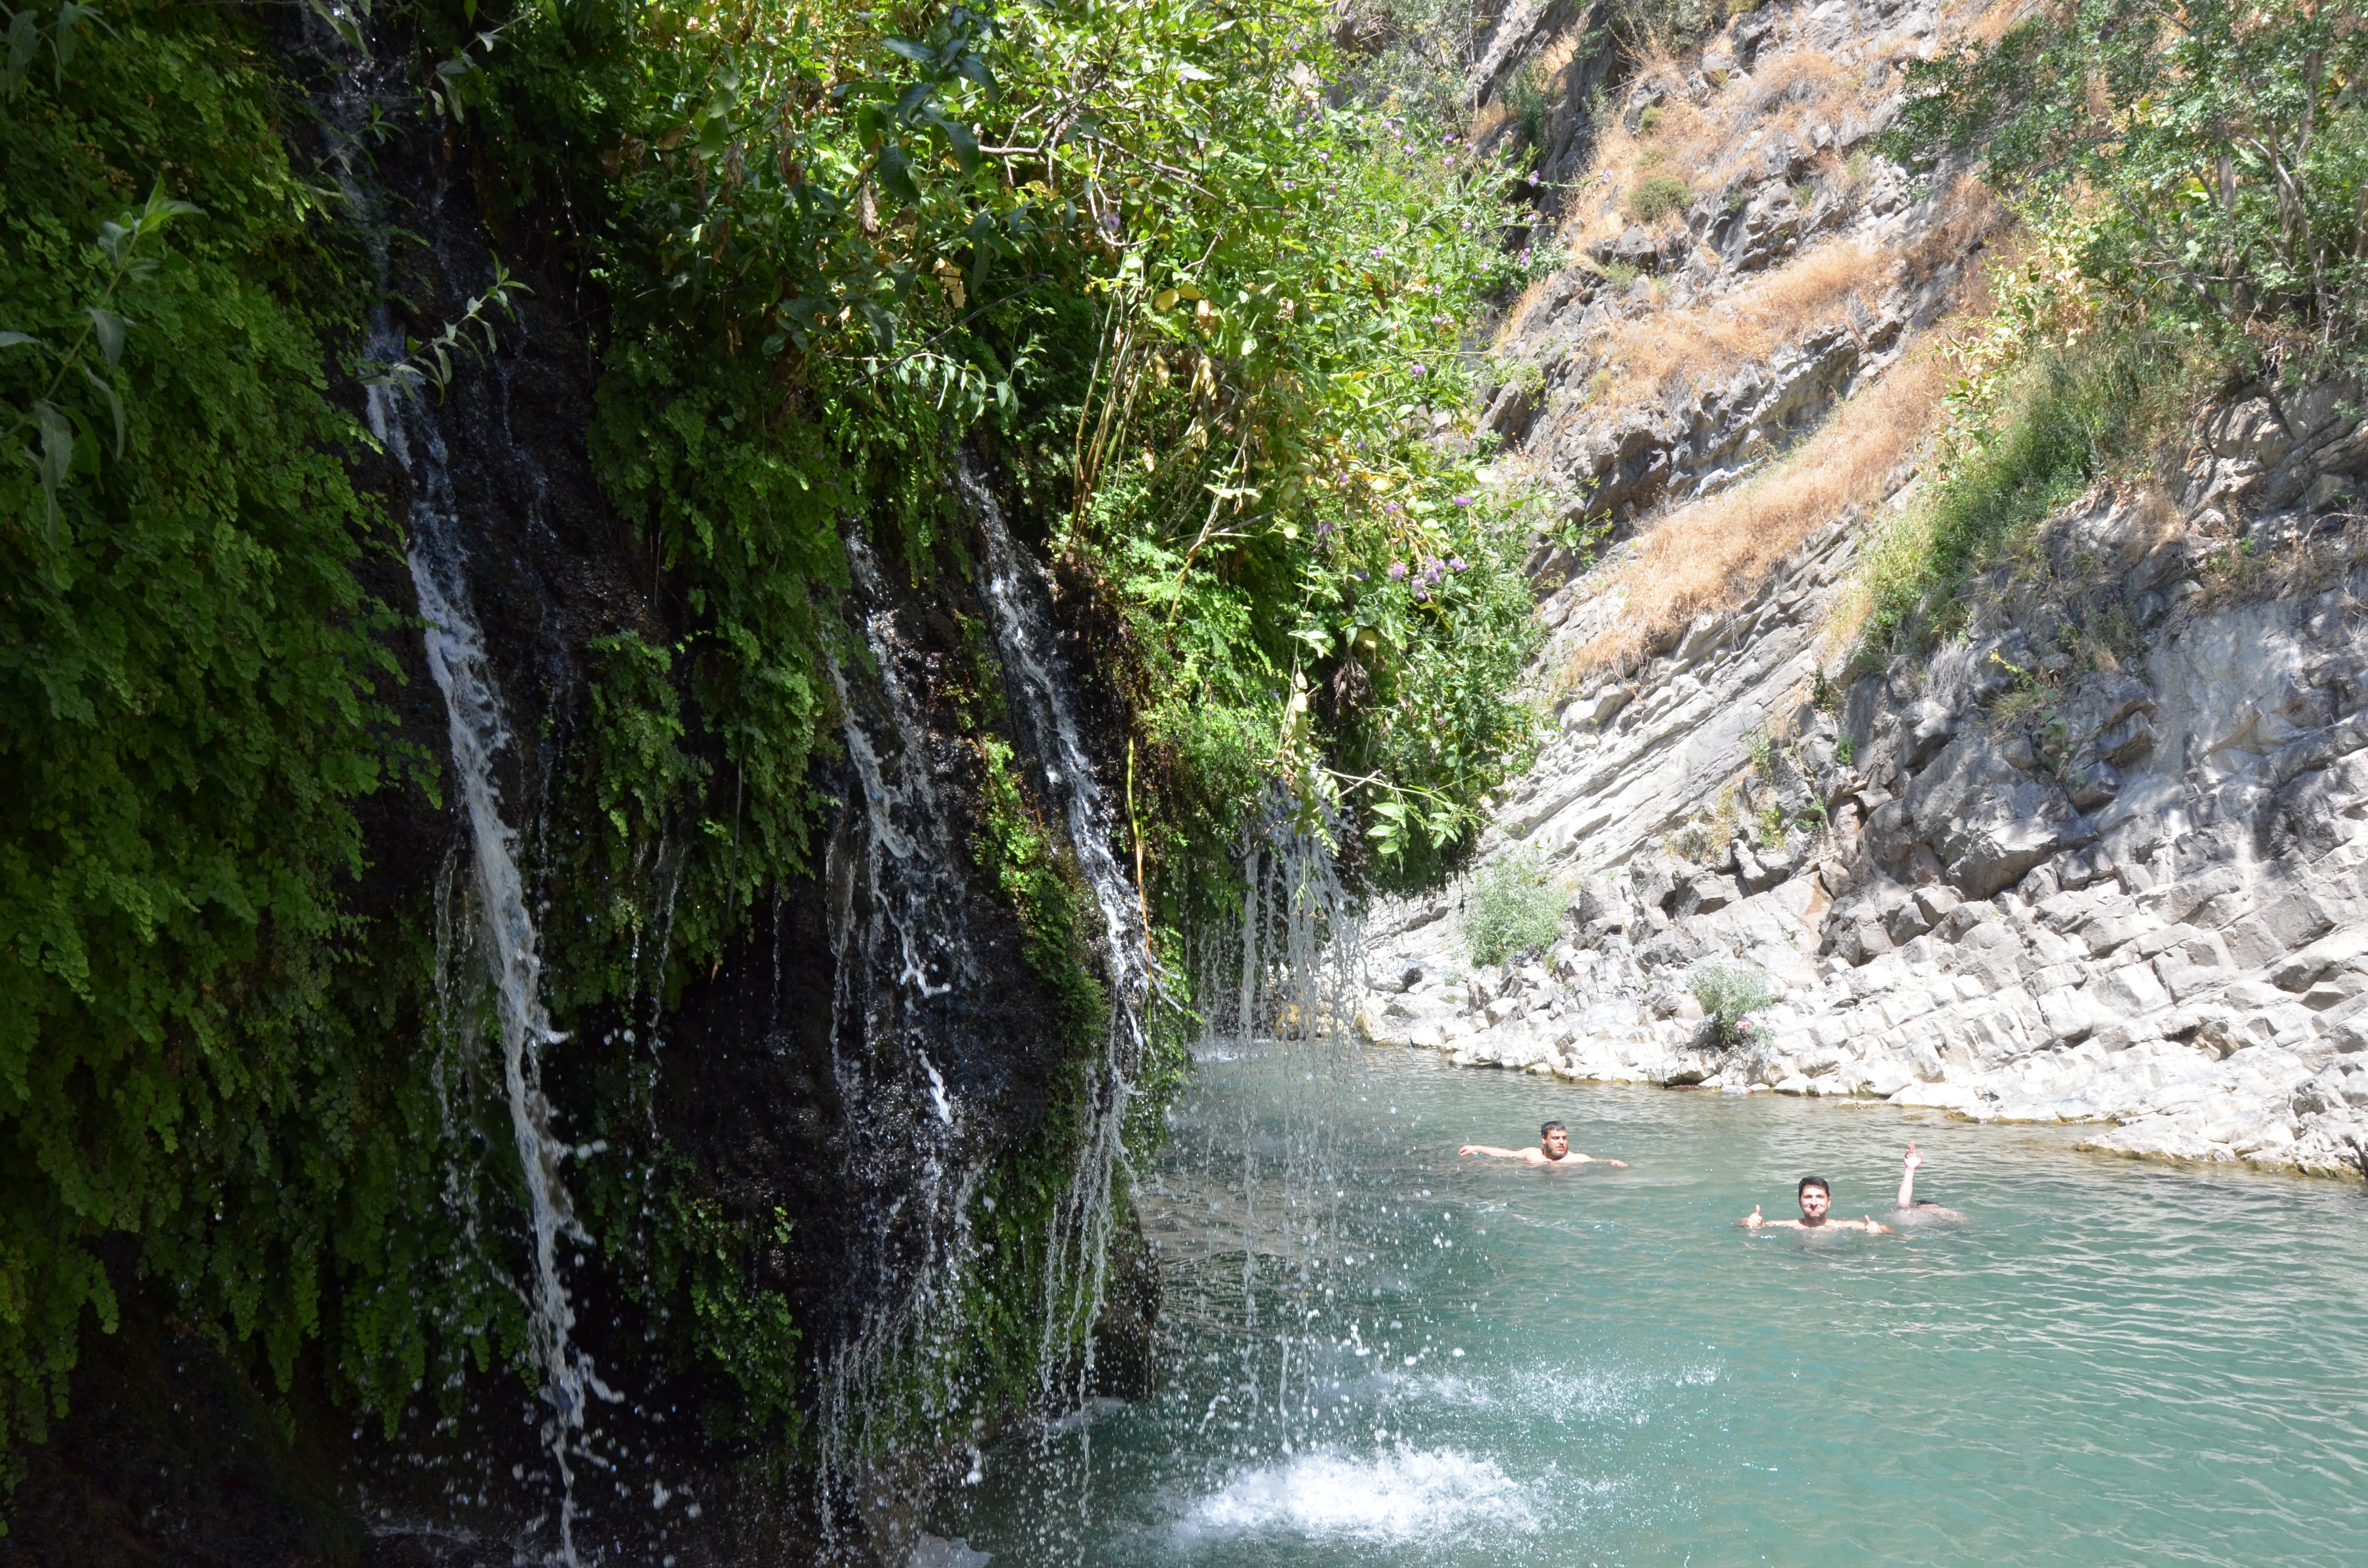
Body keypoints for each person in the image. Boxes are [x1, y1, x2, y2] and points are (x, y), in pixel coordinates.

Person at [1739, 1173, 1889, 1232]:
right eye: (1808, 1197)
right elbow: (1742, 1225)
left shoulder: (1844, 1226)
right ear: (1800, 1202)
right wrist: (1747, 1221)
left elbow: (1891, 1232)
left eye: (1820, 1197)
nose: (1814, 1202)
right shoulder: (1789, 1226)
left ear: (1829, 1202)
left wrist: (1879, 1228)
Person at [1459, 1120, 1628, 1167]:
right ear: (1544, 1140)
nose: (1561, 1142)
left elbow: (1596, 1163)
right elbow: (1506, 1154)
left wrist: (1611, 1161)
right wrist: (1478, 1148)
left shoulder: (1577, 1159)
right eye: (1556, 1138)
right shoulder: (1532, 1154)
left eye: (1564, 1138)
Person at [1891, 1141, 1962, 1220]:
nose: (1936, 1211)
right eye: (1933, 1209)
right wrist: (1910, 1170)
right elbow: (1902, 1208)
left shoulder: (1953, 1219)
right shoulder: (1914, 1218)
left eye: (1937, 1209)